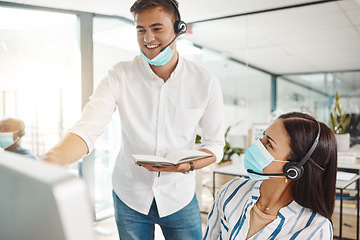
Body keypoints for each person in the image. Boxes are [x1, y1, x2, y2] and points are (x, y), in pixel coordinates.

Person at [42, 0, 224, 239]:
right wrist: (49, 161)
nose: (148, 38)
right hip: (130, 197)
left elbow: (214, 145)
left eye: (157, 28)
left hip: (178, 196)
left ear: (178, 28)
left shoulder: (204, 81)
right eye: (141, 29)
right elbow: (87, 129)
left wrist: (187, 166)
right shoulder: (120, 75)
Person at [203, 112, 337, 240]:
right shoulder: (230, 191)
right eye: (263, 137)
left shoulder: (315, 229)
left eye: (268, 144)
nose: (256, 146)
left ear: (293, 170)